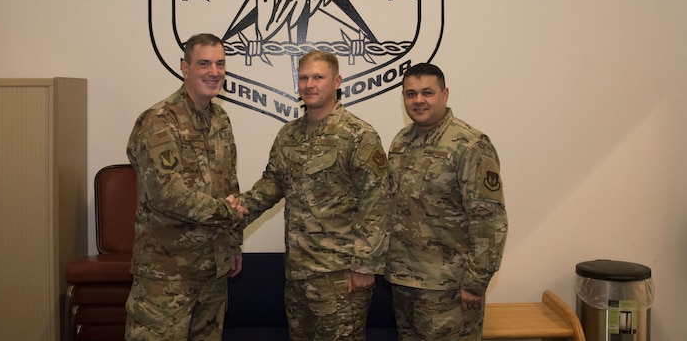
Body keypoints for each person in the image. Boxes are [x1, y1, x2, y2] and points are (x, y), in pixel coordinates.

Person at [230, 50, 391, 341]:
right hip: (297, 274)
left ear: (337, 81)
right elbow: (273, 183)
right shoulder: (289, 135)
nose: (310, 84)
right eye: (303, 78)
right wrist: (242, 206)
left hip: (341, 277)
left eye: (318, 77)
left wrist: (366, 267)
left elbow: (377, 204)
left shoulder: (358, 135)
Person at [125, 33, 249, 341]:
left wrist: (233, 244)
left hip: (212, 272)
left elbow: (229, 184)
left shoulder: (220, 118)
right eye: (204, 63)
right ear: (184, 68)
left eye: (220, 64)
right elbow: (167, 193)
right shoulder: (159, 120)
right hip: (166, 276)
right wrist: (228, 214)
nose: (214, 71)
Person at [385, 62, 508, 340]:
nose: (418, 100)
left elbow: (489, 220)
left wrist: (475, 283)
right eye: (410, 93)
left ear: (445, 94)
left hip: (449, 289)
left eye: (427, 92)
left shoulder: (469, 144)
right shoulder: (401, 142)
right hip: (404, 282)